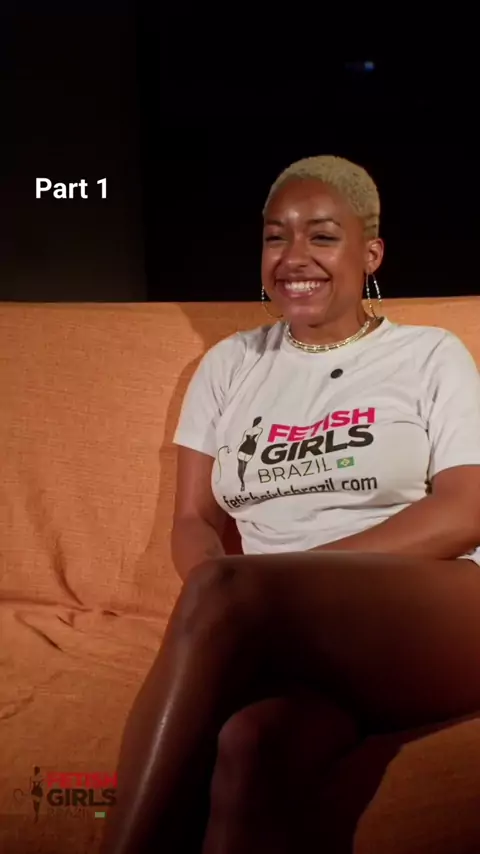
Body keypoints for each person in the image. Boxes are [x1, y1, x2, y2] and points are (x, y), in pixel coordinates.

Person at [101, 155, 480, 854]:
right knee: (254, 745)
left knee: (226, 591)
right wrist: (239, 603)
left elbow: (464, 512)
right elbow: (192, 521)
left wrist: (273, 587)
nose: (293, 257)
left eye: (323, 237)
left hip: (433, 606)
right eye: (276, 237)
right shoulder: (229, 366)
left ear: (371, 254)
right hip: (287, 631)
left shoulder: (429, 356)